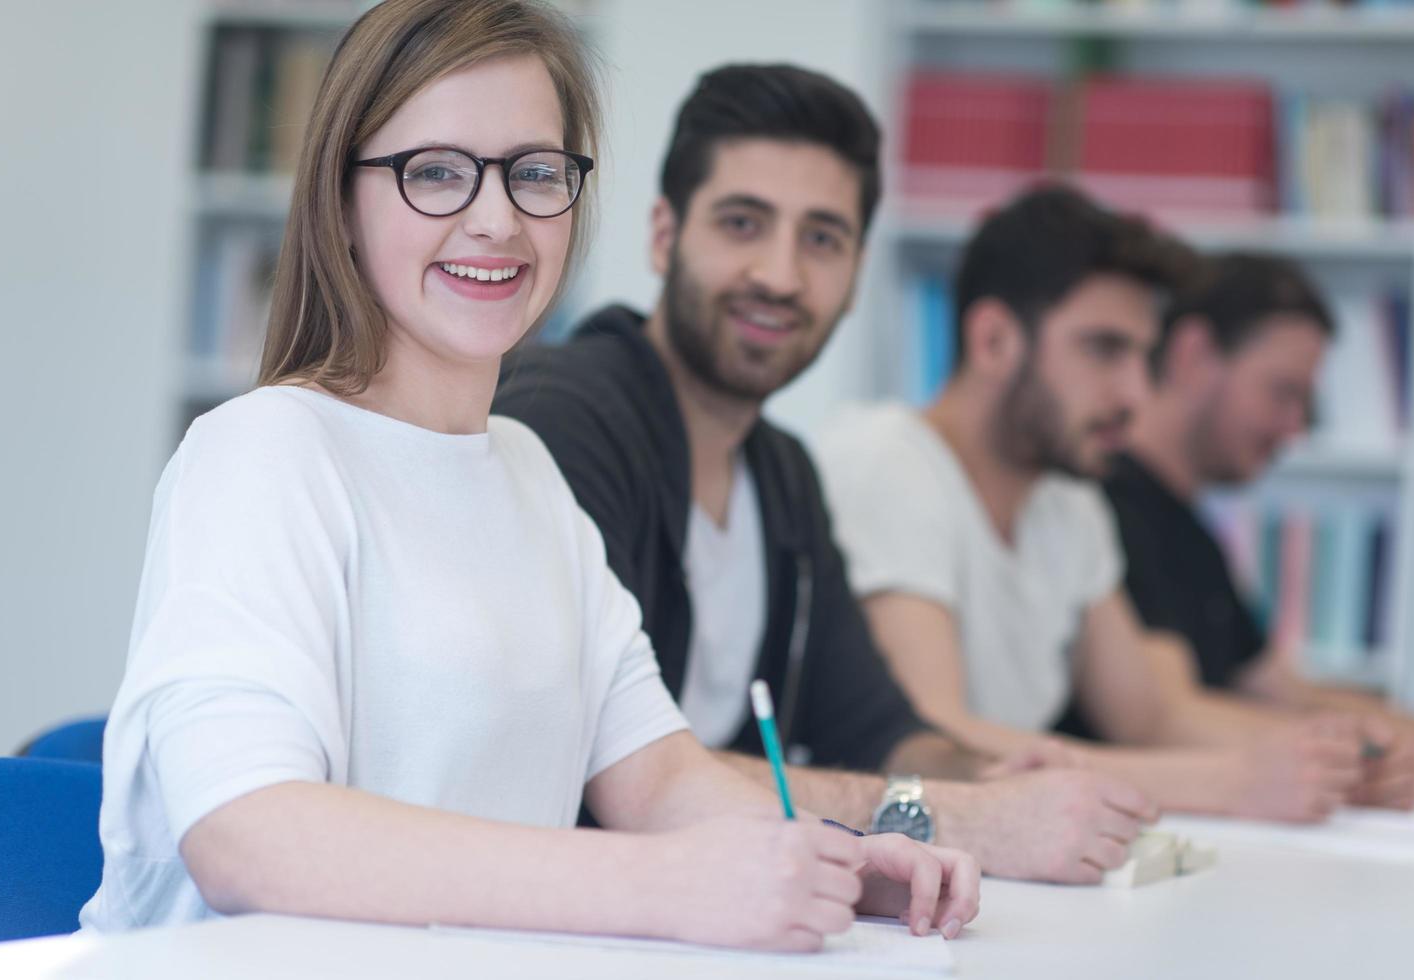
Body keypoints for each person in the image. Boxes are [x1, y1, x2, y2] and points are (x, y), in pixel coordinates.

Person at [80, 0, 979, 950]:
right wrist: (658, 885)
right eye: (435, 173)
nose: (497, 219)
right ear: (341, 206)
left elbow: (658, 777)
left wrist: (831, 861)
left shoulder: (529, 471)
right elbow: (247, 836)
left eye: (536, 173)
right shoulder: (261, 453)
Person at [495, 63, 1157, 885]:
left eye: (820, 238)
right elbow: (602, 768)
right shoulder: (563, 421)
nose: (779, 275)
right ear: (664, 235)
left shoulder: (782, 474)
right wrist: (951, 815)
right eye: (742, 223)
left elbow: (880, 731)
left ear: (854, 273)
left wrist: (989, 775)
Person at [816, 186, 1405, 822]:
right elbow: (929, 734)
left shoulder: (1069, 501)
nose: (1132, 392)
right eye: (1103, 349)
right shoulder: (888, 460)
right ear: (992, 341)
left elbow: (1149, 713)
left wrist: (1327, 758)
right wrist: (1230, 782)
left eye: (1141, 357)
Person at [1108, 251, 1414, 801]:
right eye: (1283, 392)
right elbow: (1166, 714)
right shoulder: (1111, 507)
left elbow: (1281, 690)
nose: (1294, 428)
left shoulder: (1191, 533)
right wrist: (1408, 760)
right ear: (1194, 355)